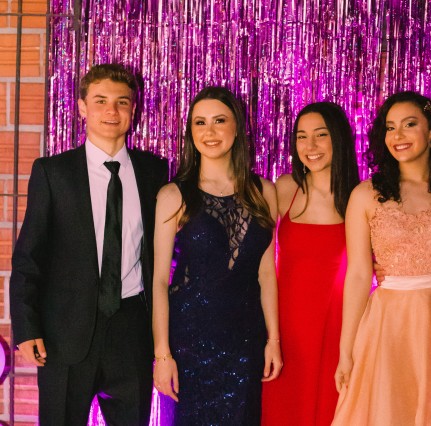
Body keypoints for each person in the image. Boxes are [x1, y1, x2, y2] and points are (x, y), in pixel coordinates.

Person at [9, 63, 168, 425]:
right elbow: (28, 258)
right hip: (64, 332)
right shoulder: (53, 173)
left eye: (122, 102)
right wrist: (27, 328)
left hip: (132, 330)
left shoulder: (154, 172)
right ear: (82, 107)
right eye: (100, 101)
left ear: (133, 109)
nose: (112, 111)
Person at [332, 91, 431, 425]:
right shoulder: (365, 195)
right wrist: (346, 351)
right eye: (390, 128)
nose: (398, 135)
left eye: (409, 124)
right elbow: (358, 275)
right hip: (389, 322)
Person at [152, 86, 282, 424]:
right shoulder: (173, 195)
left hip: (246, 338)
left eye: (219, 121)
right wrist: (162, 355)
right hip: (190, 342)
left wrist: (273, 340)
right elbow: (159, 282)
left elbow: (266, 273)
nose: (209, 131)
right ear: (191, 132)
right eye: (200, 123)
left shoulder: (264, 191)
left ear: (236, 127)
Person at [261, 102, 359, 425]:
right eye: (302, 137)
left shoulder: (360, 196)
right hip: (287, 328)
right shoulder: (285, 188)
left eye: (320, 135)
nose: (310, 146)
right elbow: (264, 265)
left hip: (338, 329)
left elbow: (367, 271)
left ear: (338, 138)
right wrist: (272, 337)